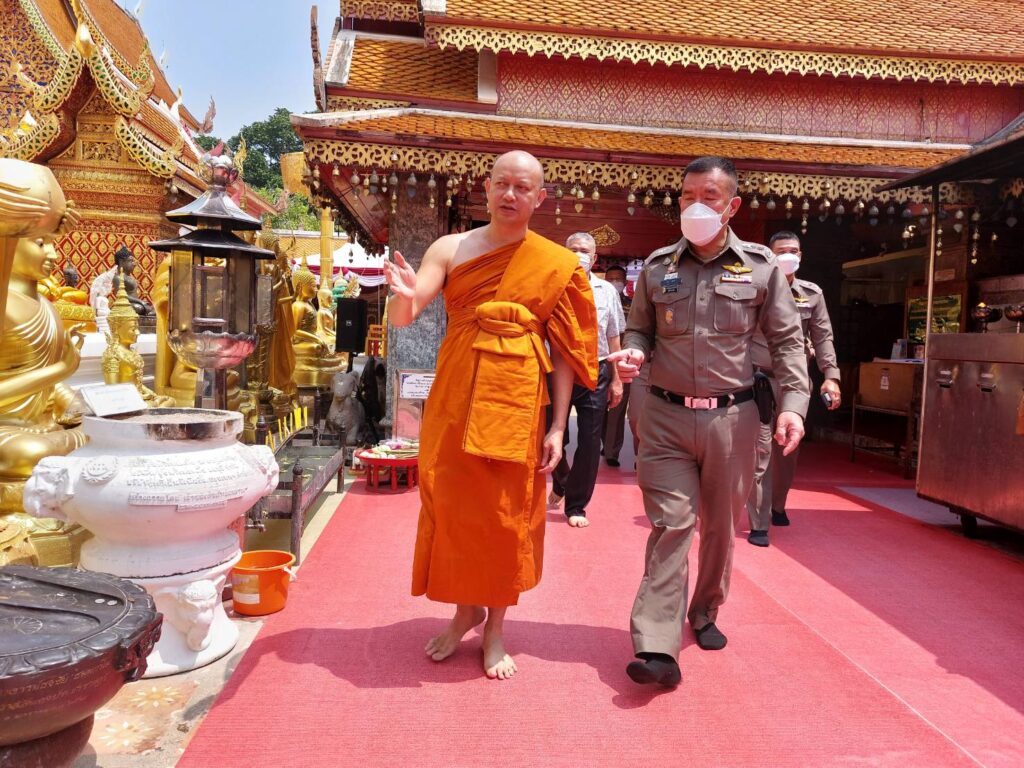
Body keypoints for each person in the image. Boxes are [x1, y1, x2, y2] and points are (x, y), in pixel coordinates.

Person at [384, 150, 597, 680]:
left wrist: (558, 426)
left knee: (506, 513)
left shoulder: (556, 264)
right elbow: (408, 313)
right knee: (455, 506)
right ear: (486, 187)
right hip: (456, 396)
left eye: (522, 188)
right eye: (502, 183)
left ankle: (496, 628)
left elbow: (564, 353)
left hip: (517, 402)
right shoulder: (450, 248)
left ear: (539, 198)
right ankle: (465, 612)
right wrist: (400, 295)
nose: (510, 195)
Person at [608, 156, 809, 688]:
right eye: (687, 197)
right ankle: (657, 645)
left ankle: (705, 610)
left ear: (732, 205)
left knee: (720, 527)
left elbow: (788, 342)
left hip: (733, 420)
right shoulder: (657, 268)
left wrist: (793, 404)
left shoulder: (762, 267)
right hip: (666, 417)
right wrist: (633, 352)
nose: (695, 206)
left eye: (709, 197)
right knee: (672, 524)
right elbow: (639, 330)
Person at [745, 231, 841, 546]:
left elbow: (823, 336)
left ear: (801, 255)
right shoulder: (752, 288)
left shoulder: (811, 294)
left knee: (787, 447)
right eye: (781, 250)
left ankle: (777, 504)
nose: (788, 255)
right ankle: (759, 522)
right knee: (760, 448)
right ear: (769, 255)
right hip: (757, 379)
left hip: (794, 382)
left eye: (794, 250)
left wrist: (831, 375)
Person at [547, 233, 624, 527]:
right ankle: (562, 480)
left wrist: (617, 379)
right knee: (553, 433)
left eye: (584, 251)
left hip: (596, 369)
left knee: (590, 441)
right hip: (557, 369)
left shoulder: (607, 291)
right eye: (573, 249)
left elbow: (613, 335)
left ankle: (576, 505)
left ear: (594, 258)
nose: (579, 254)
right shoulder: (552, 284)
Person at [601, 264, 631, 467]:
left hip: (624, 361)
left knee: (617, 407)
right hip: (602, 359)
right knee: (600, 405)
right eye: (611, 279)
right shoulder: (599, 299)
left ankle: (611, 451)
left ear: (625, 281)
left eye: (618, 279)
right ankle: (604, 441)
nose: (615, 283)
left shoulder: (633, 304)